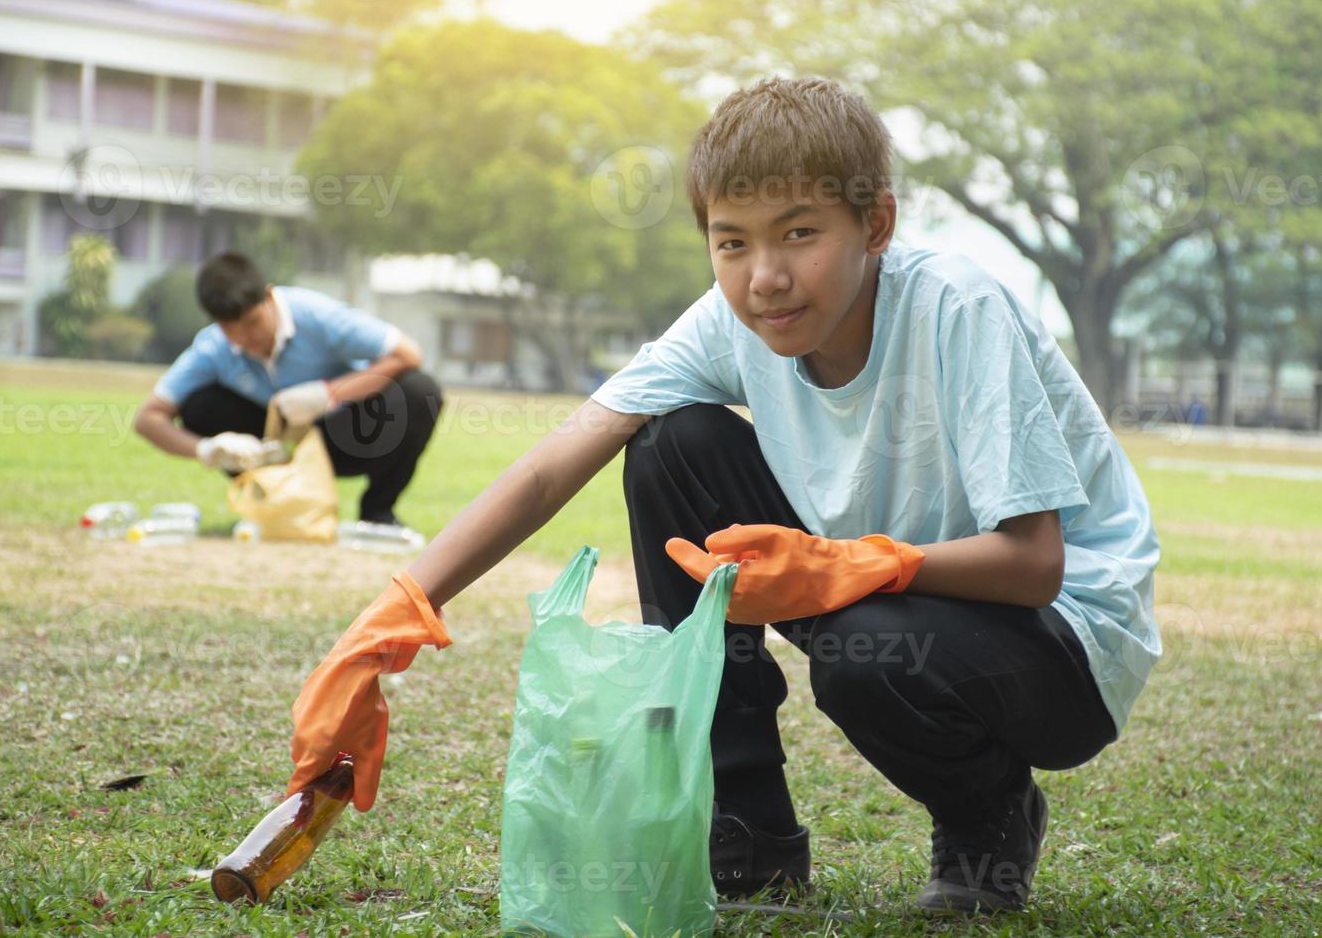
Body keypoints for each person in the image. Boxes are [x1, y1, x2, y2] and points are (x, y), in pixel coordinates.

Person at [289, 77, 1161, 917]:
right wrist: (390, 620)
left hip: (1063, 646)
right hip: (873, 588)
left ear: (877, 224)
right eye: (733, 241)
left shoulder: (954, 308)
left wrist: (859, 563)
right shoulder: (729, 321)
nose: (764, 277)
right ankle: (748, 828)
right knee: (672, 445)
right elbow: (555, 463)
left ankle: (987, 820)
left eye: (799, 233)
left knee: (864, 646)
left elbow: (1035, 564)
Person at [133, 251, 443, 526]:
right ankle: (272, 507)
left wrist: (330, 393)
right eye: (231, 331)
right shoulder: (212, 347)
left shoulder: (317, 315)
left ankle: (377, 513)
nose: (246, 339)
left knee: (419, 390)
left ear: (268, 297)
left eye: (253, 323)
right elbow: (148, 418)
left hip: (348, 436)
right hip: (271, 451)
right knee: (199, 405)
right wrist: (208, 450)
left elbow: (408, 353)